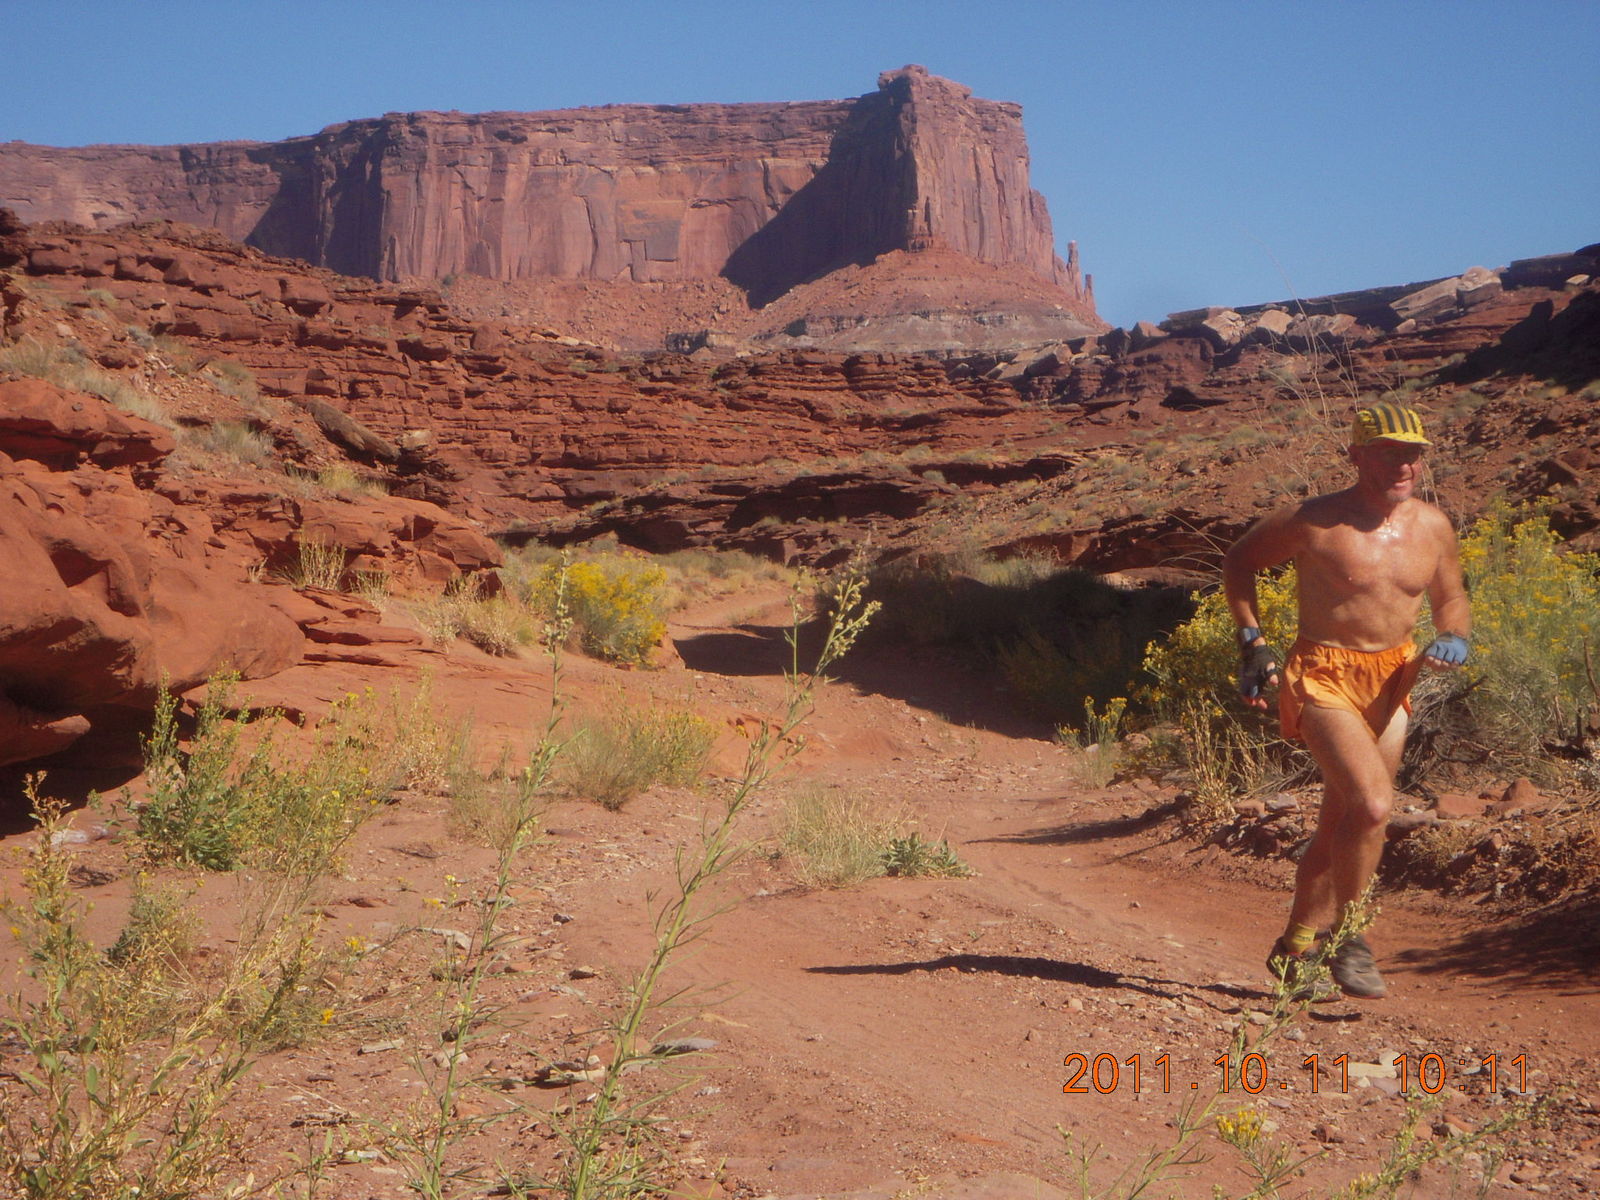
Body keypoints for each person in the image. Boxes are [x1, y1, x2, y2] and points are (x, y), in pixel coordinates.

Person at [1221, 402, 1470, 998]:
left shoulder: (1433, 526)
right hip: (1322, 674)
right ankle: (1350, 936)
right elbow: (1239, 561)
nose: (1404, 464)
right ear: (1356, 455)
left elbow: (1451, 597)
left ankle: (1293, 948)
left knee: (1345, 821)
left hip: (1394, 679)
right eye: (1388, 452)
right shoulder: (1314, 520)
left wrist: (1455, 635)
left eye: (1413, 453)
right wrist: (1252, 643)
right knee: (1375, 805)